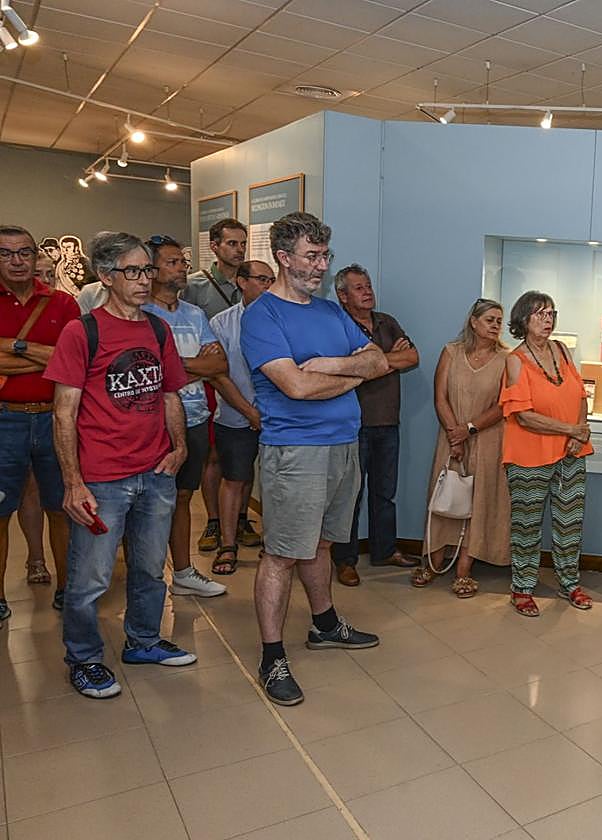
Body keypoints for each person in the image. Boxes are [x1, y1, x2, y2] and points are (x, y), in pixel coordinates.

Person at [240, 211, 387, 706]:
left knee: (322, 544)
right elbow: (295, 387)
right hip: (295, 451)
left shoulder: (328, 311)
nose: (321, 266)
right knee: (282, 554)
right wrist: (352, 376)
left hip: (344, 445)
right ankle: (272, 654)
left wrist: (332, 366)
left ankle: (324, 625)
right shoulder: (263, 315)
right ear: (283, 258)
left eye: (325, 255)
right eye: (311, 256)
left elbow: (379, 360)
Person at [45, 231, 198, 699]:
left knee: (152, 569)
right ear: (107, 277)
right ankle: (85, 658)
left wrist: (179, 446)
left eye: (148, 270)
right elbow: (63, 412)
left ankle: (145, 641)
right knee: (89, 580)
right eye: (132, 271)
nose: (144, 279)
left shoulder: (156, 330)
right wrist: (73, 482)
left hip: (155, 472)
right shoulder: (82, 331)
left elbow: (170, 391)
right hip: (102, 479)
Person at [141, 234, 229, 598]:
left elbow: (219, 363)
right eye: (174, 262)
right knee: (146, 503)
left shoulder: (195, 314)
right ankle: (143, 581)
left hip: (194, 419)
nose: (183, 267)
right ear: (153, 270)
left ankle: (182, 571)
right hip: (153, 423)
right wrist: (193, 367)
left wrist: (175, 366)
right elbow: (148, 369)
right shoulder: (142, 315)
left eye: (183, 262)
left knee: (181, 498)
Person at [0, 224, 79, 621]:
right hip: (4, 420)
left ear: (36, 256)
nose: (17, 261)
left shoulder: (63, 303)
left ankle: (67, 588)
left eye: (24, 252)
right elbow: (53, 358)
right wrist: (42, 355)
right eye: (6, 253)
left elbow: (70, 360)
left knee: (62, 508)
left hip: (55, 417)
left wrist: (14, 347)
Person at [500, 291, 593, 617]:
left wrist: (580, 429)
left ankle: (570, 582)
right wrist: (570, 430)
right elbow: (523, 415)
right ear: (523, 319)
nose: (548, 319)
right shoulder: (515, 360)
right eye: (540, 314)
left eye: (551, 313)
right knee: (527, 525)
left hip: (571, 452)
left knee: (570, 523)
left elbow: (581, 395)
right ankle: (522, 588)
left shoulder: (562, 350)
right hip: (529, 456)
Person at [330, 264, 420, 585]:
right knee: (350, 496)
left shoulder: (387, 322)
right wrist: (381, 361)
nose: (367, 292)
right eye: (358, 288)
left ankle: (385, 550)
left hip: (387, 422)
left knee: (385, 492)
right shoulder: (337, 326)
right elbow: (343, 370)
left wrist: (369, 363)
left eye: (368, 286)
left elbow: (412, 358)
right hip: (353, 424)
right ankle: (345, 559)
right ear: (342, 295)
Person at [414, 298, 510, 596]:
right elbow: (440, 396)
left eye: (499, 321)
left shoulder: (507, 359)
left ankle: (464, 572)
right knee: (444, 497)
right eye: (490, 320)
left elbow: (503, 404)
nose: (495, 325)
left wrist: (469, 429)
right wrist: (455, 435)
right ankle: (432, 563)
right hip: (450, 438)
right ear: (474, 321)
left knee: (478, 502)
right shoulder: (451, 353)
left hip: (488, 439)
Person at [184, 219, 254, 555]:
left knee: (244, 455)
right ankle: (214, 520)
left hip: (244, 375)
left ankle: (241, 517)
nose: (238, 250)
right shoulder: (196, 286)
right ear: (214, 246)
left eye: (242, 244)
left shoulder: (251, 282)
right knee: (213, 456)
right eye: (231, 244)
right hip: (210, 379)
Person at [207, 260, 274, 575]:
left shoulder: (284, 319)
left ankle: (274, 547)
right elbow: (218, 375)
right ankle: (228, 545)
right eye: (262, 279)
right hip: (236, 415)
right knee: (234, 480)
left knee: (277, 482)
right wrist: (249, 412)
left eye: (271, 279)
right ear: (242, 282)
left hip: (278, 418)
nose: (268, 285)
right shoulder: (222, 324)